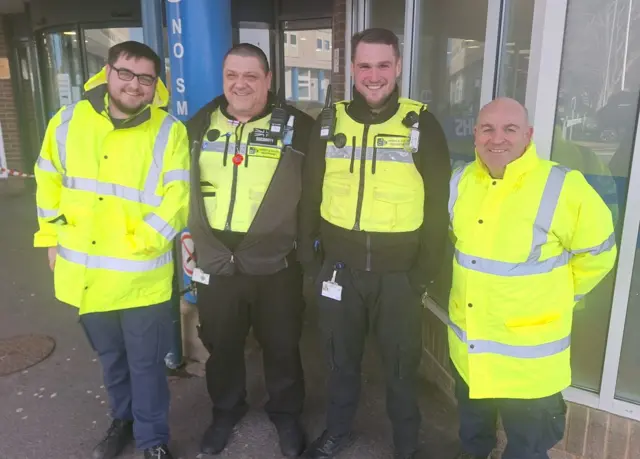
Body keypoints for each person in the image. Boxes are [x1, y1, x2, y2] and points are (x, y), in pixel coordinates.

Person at [298, 28, 451, 459]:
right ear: (353, 70)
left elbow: (439, 206)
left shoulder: (422, 124)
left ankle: (406, 443)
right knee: (339, 362)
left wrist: (423, 273)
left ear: (398, 67)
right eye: (365, 66)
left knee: (401, 368)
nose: (374, 75)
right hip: (340, 270)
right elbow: (312, 192)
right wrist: (310, 259)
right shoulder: (330, 123)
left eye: (384, 65)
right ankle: (337, 432)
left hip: (399, 276)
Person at [33, 41, 190, 459]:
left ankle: (152, 440)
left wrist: (142, 244)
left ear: (155, 84)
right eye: (126, 73)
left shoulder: (168, 130)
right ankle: (123, 421)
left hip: (142, 278)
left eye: (145, 78)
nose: (134, 85)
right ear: (107, 72)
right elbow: (47, 182)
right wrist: (50, 238)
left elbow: (176, 200)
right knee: (113, 361)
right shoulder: (67, 121)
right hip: (87, 275)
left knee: (147, 366)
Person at [447, 98, 617, 459]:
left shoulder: (563, 186)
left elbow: (600, 253)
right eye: (488, 129)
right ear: (475, 134)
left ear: (528, 135)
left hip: (529, 368)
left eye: (510, 130)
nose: (498, 139)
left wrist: (562, 294)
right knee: (473, 444)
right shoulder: (461, 182)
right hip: (472, 357)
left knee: (526, 452)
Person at [185, 43, 314, 457]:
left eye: (251, 76)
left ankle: (287, 414)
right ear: (223, 78)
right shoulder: (199, 123)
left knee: (282, 343)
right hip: (217, 262)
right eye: (232, 76)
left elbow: (316, 195)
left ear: (268, 80)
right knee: (220, 344)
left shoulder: (297, 127)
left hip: (276, 263)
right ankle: (225, 409)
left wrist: (309, 254)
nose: (240, 84)